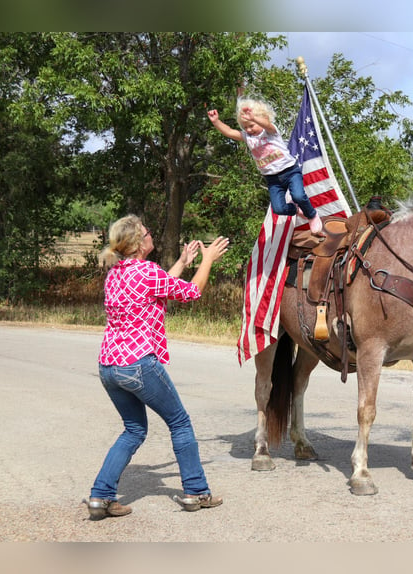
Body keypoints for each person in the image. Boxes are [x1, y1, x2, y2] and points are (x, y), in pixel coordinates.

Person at [86, 214, 229, 520]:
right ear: (139, 243)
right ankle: (196, 492)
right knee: (179, 422)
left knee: (133, 430)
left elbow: (162, 286)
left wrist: (182, 261)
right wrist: (207, 260)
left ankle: (100, 497)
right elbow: (191, 292)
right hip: (138, 364)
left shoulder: (116, 273)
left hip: (109, 366)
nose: (152, 235)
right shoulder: (147, 272)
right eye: (147, 232)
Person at [207, 97, 324, 236]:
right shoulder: (248, 137)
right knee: (278, 209)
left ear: (260, 119)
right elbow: (229, 132)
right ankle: (297, 210)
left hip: (290, 171)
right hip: (273, 179)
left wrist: (254, 117)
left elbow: (266, 124)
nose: (249, 129)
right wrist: (216, 122)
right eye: (246, 127)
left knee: (298, 195)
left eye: (252, 125)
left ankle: (312, 215)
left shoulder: (270, 131)